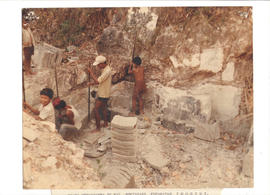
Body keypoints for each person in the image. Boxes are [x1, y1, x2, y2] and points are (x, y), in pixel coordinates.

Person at [87, 55, 112, 133]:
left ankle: (98, 128)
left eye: (98, 65)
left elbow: (98, 81)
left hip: (103, 94)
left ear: (102, 63)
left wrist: (91, 73)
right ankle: (105, 123)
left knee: (96, 109)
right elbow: (101, 81)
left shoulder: (107, 71)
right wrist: (92, 83)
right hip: (104, 92)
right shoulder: (105, 69)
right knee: (104, 108)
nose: (98, 66)